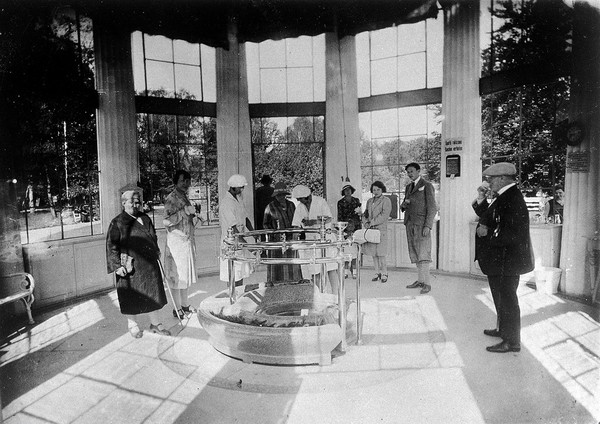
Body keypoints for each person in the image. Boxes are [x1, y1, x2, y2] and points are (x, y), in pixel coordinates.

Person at [473, 162, 534, 353]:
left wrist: (487, 234)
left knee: (508, 300)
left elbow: (513, 234)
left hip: (507, 260)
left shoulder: (512, 199)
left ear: (502, 178)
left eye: (490, 179)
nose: (487, 183)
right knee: (501, 298)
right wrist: (481, 199)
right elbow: (488, 216)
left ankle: (512, 342)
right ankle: (503, 330)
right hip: (501, 259)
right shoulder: (505, 196)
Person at [106, 190, 171, 337]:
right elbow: (112, 245)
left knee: (153, 293)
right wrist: (117, 266)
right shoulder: (117, 222)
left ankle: (156, 324)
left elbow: (152, 236)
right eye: (132, 202)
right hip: (130, 265)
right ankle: (133, 325)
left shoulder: (145, 218)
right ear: (123, 203)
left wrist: (156, 250)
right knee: (131, 294)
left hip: (149, 264)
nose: (136, 205)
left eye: (138, 202)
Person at [163, 170, 199, 320]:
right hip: (176, 243)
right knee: (176, 276)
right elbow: (166, 221)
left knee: (185, 275)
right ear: (176, 181)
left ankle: (185, 304)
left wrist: (195, 215)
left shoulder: (185, 197)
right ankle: (176, 308)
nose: (186, 183)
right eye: (183, 180)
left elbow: (189, 219)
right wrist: (183, 213)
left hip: (186, 241)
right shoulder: (171, 198)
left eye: (188, 180)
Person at [291, 184, 340, 294]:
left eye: (302, 199)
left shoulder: (320, 201)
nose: (300, 202)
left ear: (308, 196)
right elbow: (296, 225)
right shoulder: (300, 207)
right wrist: (294, 240)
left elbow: (328, 218)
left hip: (325, 237)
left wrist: (313, 222)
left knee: (331, 268)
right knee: (315, 270)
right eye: (299, 200)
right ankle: (320, 296)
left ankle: (336, 296)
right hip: (311, 241)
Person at [401, 162, 437, 294]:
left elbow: (432, 208)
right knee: (416, 253)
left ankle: (427, 283)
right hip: (410, 223)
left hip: (422, 225)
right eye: (408, 172)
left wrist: (428, 225)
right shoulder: (408, 187)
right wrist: (404, 204)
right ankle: (420, 280)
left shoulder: (427, 186)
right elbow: (404, 206)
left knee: (423, 253)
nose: (409, 174)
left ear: (418, 171)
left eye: (411, 171)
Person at [263, 182, 302, 282]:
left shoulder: (292, 205)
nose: (280, 197)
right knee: (277, 265)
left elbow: (297, 220)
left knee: (291, 264)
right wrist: (273, 233)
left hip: (290, 239)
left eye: (282, 195)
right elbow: (265, 224)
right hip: (276, 241)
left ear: (285, 195)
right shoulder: (270, 207)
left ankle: (293, 283)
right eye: (278, 195)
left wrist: (295, 232)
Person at [220, 174, 254, 286]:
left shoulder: (239, 199)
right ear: (233, 187)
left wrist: (254, 233)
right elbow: (233, 229)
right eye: (241, 187)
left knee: (241, 273)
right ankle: (233, 300)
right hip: (232, 243)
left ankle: (240, 297)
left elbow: (245, 218)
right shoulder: (226, 203)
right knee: (233, 275)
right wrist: (248, 246)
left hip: (240, 241)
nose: (242, 189)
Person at [362, 181, 392, 283]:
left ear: (382, 189)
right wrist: (365, 222)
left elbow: (384, 215)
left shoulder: (386, 200)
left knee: (381, 253)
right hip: (371, 230)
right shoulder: (369, 201)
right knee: (373, 253)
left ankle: (384, 273)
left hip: (380, 230)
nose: (376, 192)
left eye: (378, 189)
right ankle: (376, 272)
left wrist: (372, 222)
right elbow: (366, 214)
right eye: (374, 190)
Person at [337, 180, 362, 279]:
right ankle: (346, 271)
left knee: (355, 251)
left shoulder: (356, 200)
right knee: (346, 250)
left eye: (349, 190)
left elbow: (359, 215)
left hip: (355, 227)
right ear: (343, 192)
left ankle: (355, 271)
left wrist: (358, 230)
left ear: (352, 191)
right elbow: (340, 217)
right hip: (345, 228)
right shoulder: (340, 202)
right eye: (346, 190)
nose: (348, 192)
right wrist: (342, 230)